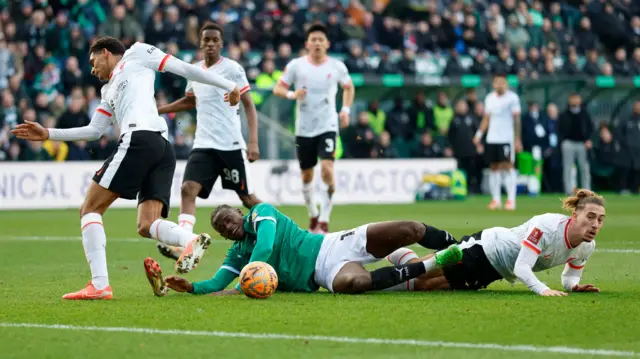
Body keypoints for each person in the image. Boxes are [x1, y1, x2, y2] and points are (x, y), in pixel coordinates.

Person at [11, 37, 242, 300]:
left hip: (140, 139)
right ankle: (188, 240)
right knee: (147, 224)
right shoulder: (108, 90)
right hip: (160, 148)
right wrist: (48, 134)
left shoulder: (137, 54)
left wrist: (229, 84)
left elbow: (183, 68)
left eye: (92, 61)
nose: (91, 69)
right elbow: (94, 131)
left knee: (89, 208)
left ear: (106, 53)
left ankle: (99, 285)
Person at [143, 202, 462, 297]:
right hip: (324, 273)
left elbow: (266, 245)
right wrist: (191, 288)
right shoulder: (237, 254)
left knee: (412, 229)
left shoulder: (261, 213)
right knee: (356, 284)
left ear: (240, 213)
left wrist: (246, 280)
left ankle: (462, 247)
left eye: (228, 219)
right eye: (222, 229)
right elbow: (215, 285)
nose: (227, 227)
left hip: (334, 243)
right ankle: (425, 266)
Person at [154, 22, 261, 261]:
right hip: (203, 143)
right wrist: (159, 109)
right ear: (200, 43)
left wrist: (253, 142)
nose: (210, 44)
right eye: (206, 40)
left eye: (215, 40)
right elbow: (190, 101)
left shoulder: (233, 69)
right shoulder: (194, 70)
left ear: (221, 44)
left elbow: (249, 106)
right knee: (187, 189)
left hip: (230, 145)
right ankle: (185, 244)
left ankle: (279, 227)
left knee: (247, 199)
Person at [387, 189, 604, 296]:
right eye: (590, 217)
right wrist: (542, 290)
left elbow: (569, 277)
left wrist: (574, 287)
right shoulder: (547, 226)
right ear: (575, 216)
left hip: (496, 272)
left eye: (600, 220)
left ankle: (404, 256)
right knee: (421, 273)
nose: (595, 224)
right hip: (485, 247)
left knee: (427, 287)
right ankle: (373, 275)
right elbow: (522, 267)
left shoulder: (587, 247)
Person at [272, 23, 355, 234]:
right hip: (304, 129)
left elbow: (348, 87)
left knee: (327, 169)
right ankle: (313, 214)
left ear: (327, 43)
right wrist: (292, 94)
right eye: (313, 39)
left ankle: (325, 220)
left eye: (321, 39)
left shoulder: (337, 66)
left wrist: (345, 110)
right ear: (307, 44)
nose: (317, 43)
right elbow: (278, 87)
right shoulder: (296, 66)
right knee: (307, 176)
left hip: (328, 125)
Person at [473, 73, 522, 211]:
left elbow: (517, 120)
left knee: (507, 166)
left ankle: (511, 200)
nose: (499, 84)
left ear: (506, 83)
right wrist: (479, 134)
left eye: (502, 82)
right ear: (494, 83)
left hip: (506, 138)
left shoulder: (513, 98)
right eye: (497, 82)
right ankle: (496, 199)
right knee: (494, 167)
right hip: (492, 138)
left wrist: (517, 139)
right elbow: (486, 118)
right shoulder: (489, 98)